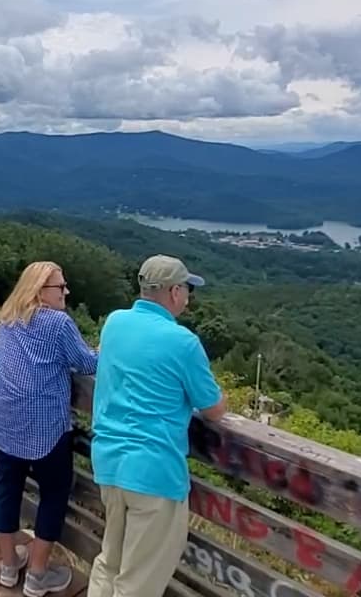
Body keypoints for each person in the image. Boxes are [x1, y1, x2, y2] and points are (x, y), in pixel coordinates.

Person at [87, 255, 228, 597]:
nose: (189, 297)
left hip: (109, 461)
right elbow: (214, 410)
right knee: (138, 583)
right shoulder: (183, 342)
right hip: (154, 471)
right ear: (175, 292)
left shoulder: (115, 323)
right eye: (187, 289)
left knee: (110, 563)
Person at [0, 261, 98, 597]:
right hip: (45, 428)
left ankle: (9, 567)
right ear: (39, 291)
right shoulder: (57, 323)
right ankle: (37, 575)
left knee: (7, 489)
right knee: (53, 494)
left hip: (6, 420)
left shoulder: (10, 315)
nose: (66, 292)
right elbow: (88, 363)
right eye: (60, 287)